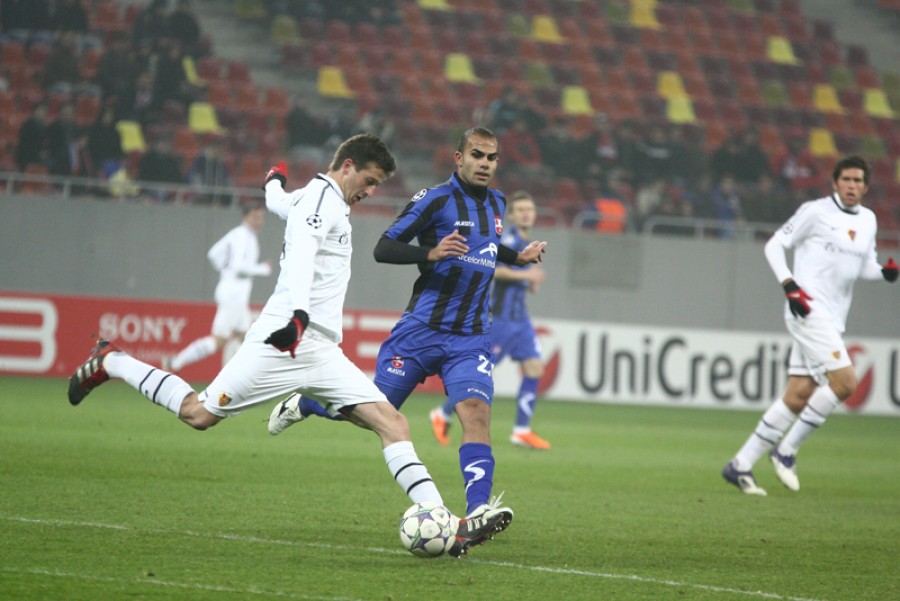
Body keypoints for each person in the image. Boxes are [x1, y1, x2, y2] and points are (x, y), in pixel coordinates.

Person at [67, 133, 505, 557]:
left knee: (393, 424)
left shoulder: (310, 197)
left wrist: (273, 181)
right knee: (198, 414)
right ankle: (115, 361)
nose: (370, 192)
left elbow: (278, 202)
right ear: (348, 166)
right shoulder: (320, 201)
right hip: (284, 341)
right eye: (369, 181)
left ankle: (442, 518)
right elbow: (300, 258)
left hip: (322, 350)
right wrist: (297, 316)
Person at [269, 127, 547, 528]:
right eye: (477, 155)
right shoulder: (434, 200)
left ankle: (478, 510)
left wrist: (517, 258)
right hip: (420, 332)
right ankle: (306, 403)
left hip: (470, 337)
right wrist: (430, 252)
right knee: (373, 412)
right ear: (459, 158)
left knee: (476, 414)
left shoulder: (498, 204)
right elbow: (384, 247)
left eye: (492, 157)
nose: (485, 164)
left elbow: (489, 244)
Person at [722, 156, 898, 496]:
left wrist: (885, 273)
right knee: (845, 382)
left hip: (833, 317)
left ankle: (740, 465)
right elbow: (775, 245)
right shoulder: (815, 212)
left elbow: (865, 267)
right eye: (845, 179)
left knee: (799, 393)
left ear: (865, 186)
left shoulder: (869, 220)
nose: (851, 185)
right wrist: (790, 286)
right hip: (807, 308)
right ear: (834, 183)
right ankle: (786, 451)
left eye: (858, 180)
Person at [430, 190, 551, 450]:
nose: (526, 213)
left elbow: (522, 275)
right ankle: (442, 413)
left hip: (521, 320)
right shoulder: (509, 238)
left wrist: (530, 281)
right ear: (512, 215)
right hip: (501, 320)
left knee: (534, 368)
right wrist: (525, 277)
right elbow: (491, 267)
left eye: (529, 209)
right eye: (520, 210)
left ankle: (521, 430)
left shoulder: (526, 240)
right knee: (480, 373)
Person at [163, 204, 271, 374]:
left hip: (233, 293)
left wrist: (225, 269)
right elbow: (238, 266)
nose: (259, 221)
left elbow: (213, 254)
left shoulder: (238, 234)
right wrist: (262, 269)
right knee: (218, 341)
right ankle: (175, 362)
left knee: (247, 337)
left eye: (261, 217)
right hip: (234, 294)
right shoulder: (244, 236)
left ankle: (253, 376)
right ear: (245, 216)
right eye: (255, 217)